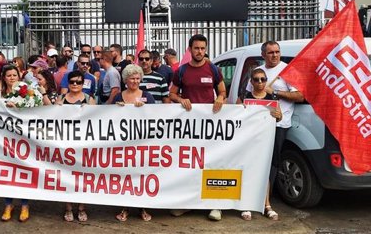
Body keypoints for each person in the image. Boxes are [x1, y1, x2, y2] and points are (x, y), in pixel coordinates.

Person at [169, 34, 226, 221]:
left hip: (210, 126)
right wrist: (180, 99)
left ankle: (215, 205)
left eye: (202, 48)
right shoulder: (181, 71)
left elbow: (222, 90)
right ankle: (187, 205)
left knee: (212, 163)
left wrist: (219, 98)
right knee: (189, 165)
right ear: (190, 49)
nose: (199, 51)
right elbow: (172, 94)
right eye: (196, 48)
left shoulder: (214, 69)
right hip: (188, 127)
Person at [245, 40, 304, 221]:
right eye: (270, 52)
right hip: (257, 128)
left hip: (279, 125)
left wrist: (275, 93)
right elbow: (248, 98)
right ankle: (253, 201)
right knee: (254, 162)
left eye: (277, 52)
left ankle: (266, 202)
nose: (275, 55)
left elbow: (300, 96)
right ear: (263, 54)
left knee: (271, 165)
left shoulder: (288, 71)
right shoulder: (258, 73)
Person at [0, 64, 41, 222]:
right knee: (7, 172)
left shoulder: (28, 92)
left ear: (19, 77)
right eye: (8, 75)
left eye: (14, 75)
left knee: (23, 171)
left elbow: (37, 107)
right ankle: (8, 204)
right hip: (4, 139)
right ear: (4, 77)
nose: (12, 78)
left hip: (23, 139)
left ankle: (25, 205)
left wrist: (19, 107)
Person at [238, 68, 283, 221]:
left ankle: (267, 205)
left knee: (264, 172)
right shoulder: (244, 97)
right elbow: (234, 117)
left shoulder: (272, 98)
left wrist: (278, 115)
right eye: (256, 79)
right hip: (248, 141)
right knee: (248, 171)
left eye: (263, 79)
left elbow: (279, 117)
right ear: (251, 82)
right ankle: (247, 205)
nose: (260, 82)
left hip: (265, 141)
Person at [113, 64, 155, 222]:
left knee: (141, 175)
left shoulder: (148, 96)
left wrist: (144, 109)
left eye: (138, 78)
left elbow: (157, 117)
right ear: (126, 80)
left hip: (142, 144)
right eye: (132, 78)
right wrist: (117, 109)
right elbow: (109, 119)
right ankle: (125, 208)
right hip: (123, 145)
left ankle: (143, 207)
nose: (135, 81)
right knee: (126, 177)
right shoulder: (118, 96)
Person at [57, 71, 93, 222]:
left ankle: (82, 208)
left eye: (78, 82)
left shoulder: (90, 99)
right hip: (66, 144)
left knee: (82, 177)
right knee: (66, 177)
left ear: (83, 83)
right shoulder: (61, 98)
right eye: (72, 82)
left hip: (83, 144)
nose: (75, 84)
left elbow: (97, 119)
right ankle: (68, 207)